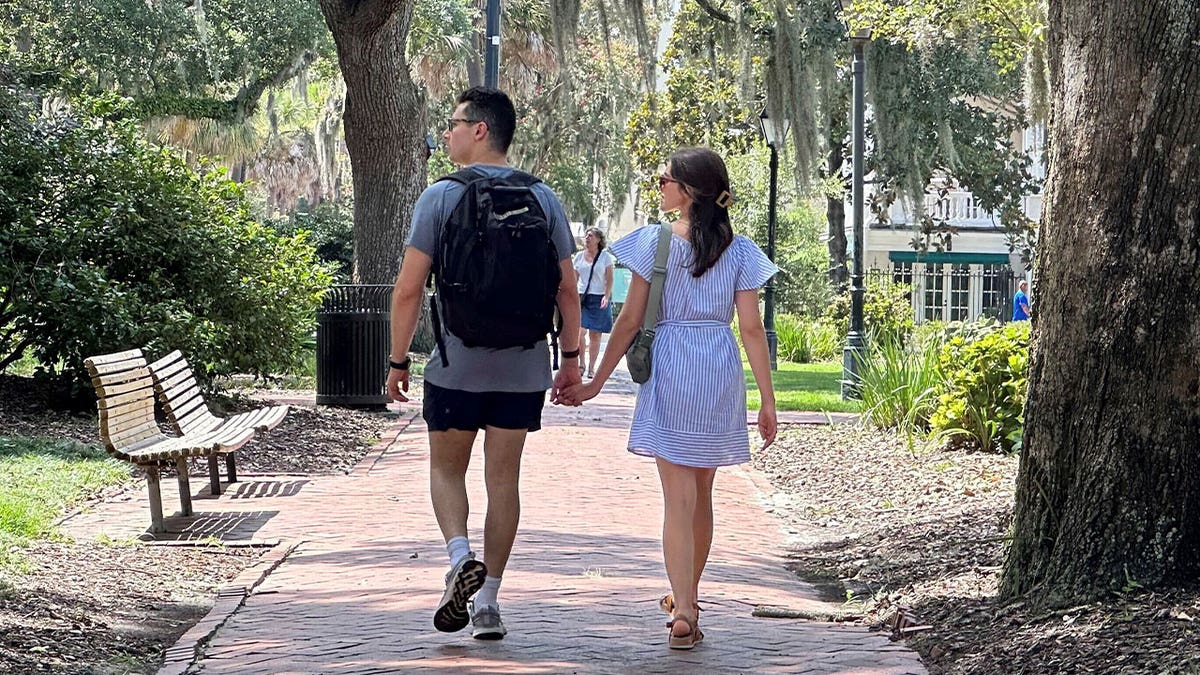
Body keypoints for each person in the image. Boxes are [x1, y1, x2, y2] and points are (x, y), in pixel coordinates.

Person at [559, 147, 778, 650]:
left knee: (676, 500)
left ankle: (683, 608)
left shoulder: (654, 243)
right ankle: (689, 599)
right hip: (719, 367)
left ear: (689, 190)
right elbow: (750, 328)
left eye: (665, 179)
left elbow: (631, 320)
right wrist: (767, 400)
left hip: (673, 367)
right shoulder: (740, 250)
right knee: (702, 495)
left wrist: (593, 382)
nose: (660, 186)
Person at [385, 87, 582, 641]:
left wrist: (397, 360)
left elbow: (407, 289)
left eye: (453, 124)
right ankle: (489, 600)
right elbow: (568, 290)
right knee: (504, 479)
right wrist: (569, 362)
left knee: (447, 468)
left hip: (456, 363)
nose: (445, 134)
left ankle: (457, 558)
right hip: (523, 367)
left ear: (480, 129)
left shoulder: (440, 197)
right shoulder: (545, 198)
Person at [573, 227, 616, 377]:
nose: (587, 238)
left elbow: (610, 279)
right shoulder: (578, 257)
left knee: (595, 335)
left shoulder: (605, 257)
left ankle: (591, 367)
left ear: (598, 239)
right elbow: (574, 279)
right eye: (586, 235)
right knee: (579, 333)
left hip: (599, 298)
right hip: (582, 298)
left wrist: (607, 295)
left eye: (590, 236)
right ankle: (581, 363)